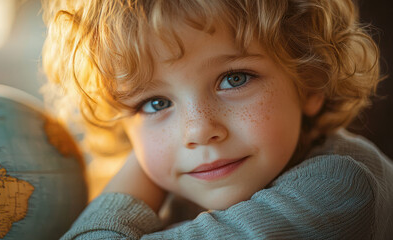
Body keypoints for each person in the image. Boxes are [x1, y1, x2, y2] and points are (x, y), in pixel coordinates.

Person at [41, 0, 393, 238]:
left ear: (311, 79)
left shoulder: (340, 190)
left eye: (234, 79)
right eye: (155, 102)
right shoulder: (190, 190)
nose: (198, 130)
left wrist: (144, 167)